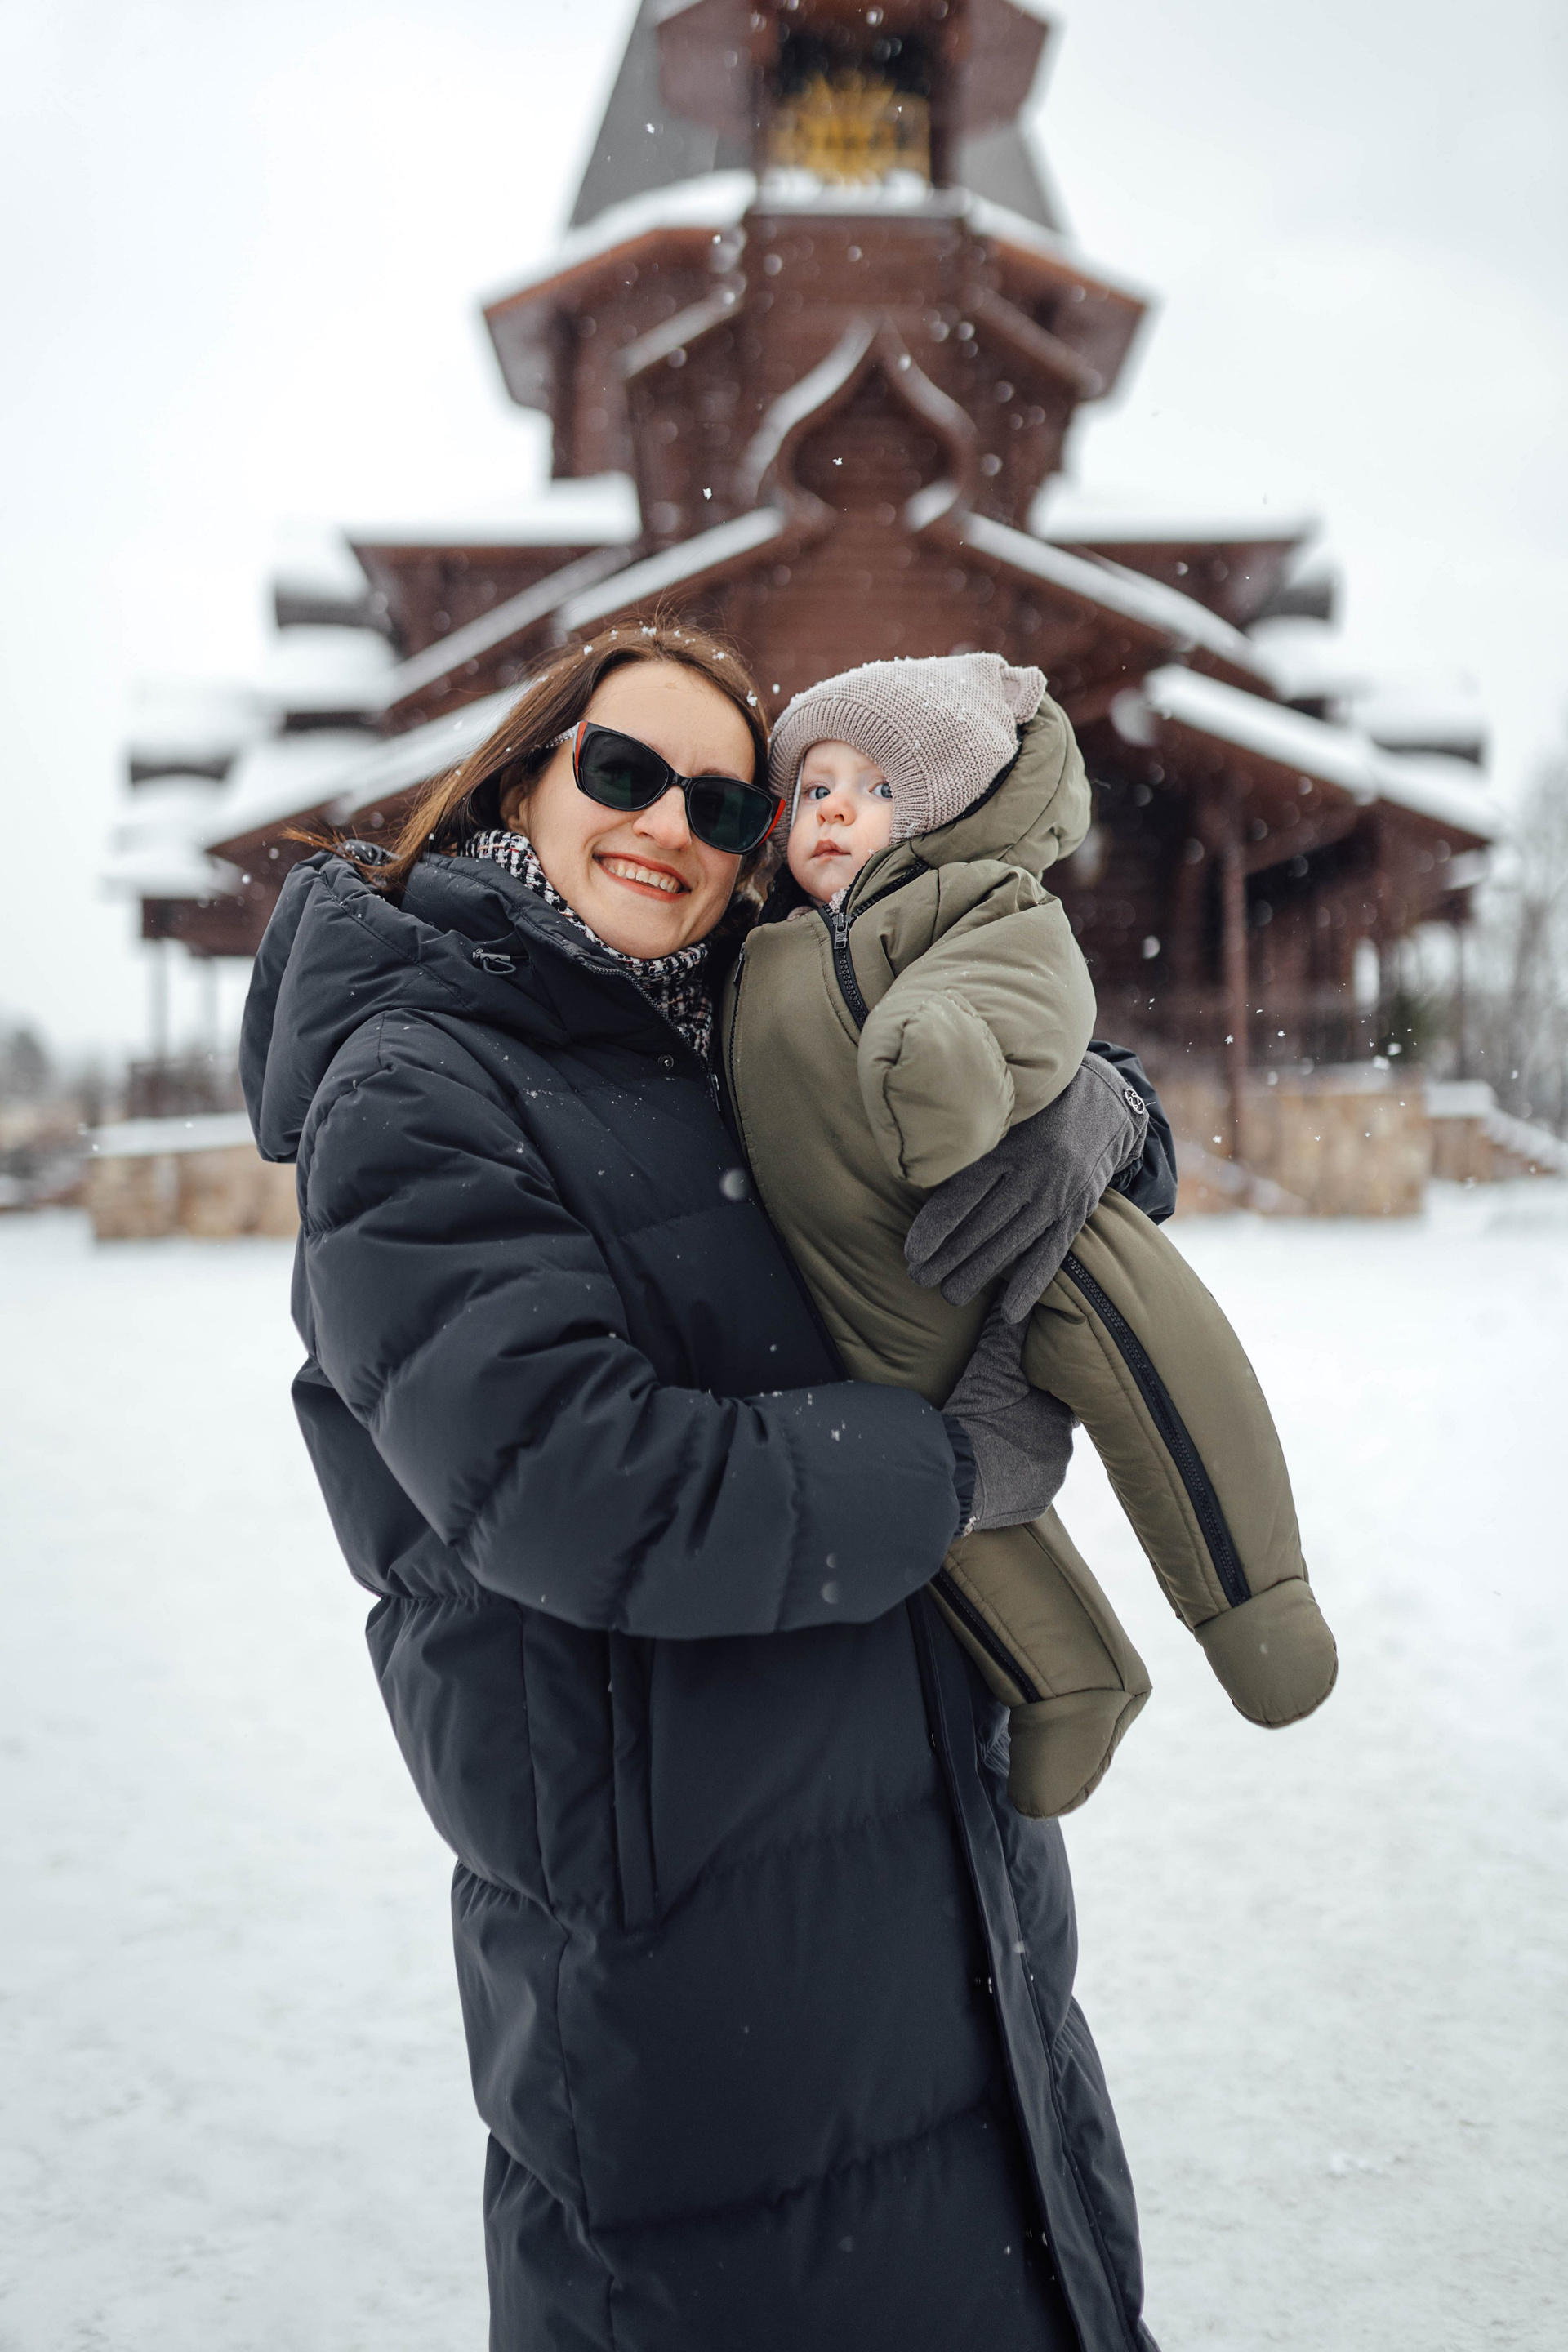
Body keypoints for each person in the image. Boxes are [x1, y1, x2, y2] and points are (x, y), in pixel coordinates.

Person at [242, 620, 1160, 2351]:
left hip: (954, 1903)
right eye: (623, 769)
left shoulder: (751, 1022)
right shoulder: (417, 1088)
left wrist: (1099, 1120)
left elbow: (991, 1022)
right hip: (697, 1977)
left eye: (729, 804)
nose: (672, 821)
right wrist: (949, 1468)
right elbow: (580, 1482)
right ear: (522, 780)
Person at [724, 653, 1338, 1819]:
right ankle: (1071, 1683)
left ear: (946, 806)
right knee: (950, 1518)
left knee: (1142, 1351)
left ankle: (1254, 1597)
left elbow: (1022, 989)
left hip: (1018, 1237)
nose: (835, 810)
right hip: (872, 1321)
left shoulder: (970, 901)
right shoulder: (753, 949)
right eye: (812, 789)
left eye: (877, 787)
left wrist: (955, 1053)